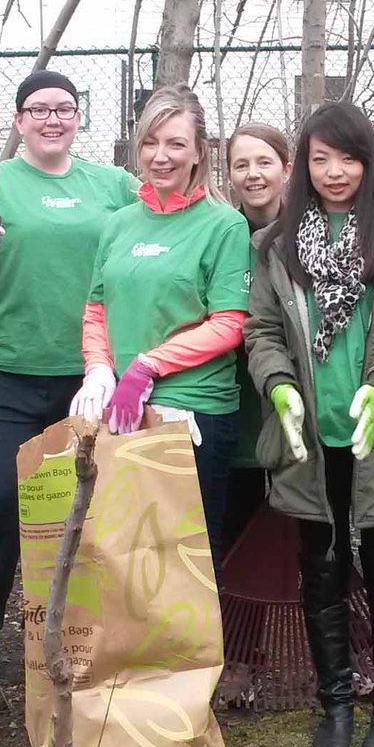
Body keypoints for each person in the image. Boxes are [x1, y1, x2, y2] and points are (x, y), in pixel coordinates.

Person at [245, 102, 374, 747]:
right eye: (321, 158)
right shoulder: (274, 245)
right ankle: (334, 704)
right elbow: (262, 331)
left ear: (369, 161)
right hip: (311, 434)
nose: (335, 172)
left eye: (349, 157)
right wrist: (278, 386)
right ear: (304, 164)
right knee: (321, 569)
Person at [0, 71, 139, 659]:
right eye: (39, 110)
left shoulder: (112, 184)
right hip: (3, 368)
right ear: (21, 120)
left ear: (79, 117)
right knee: (0, 496)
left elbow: (167, 220)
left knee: (92, 502)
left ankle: (84, 634)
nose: (52, 119)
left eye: (65, 108)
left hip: (91, 372)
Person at [71, 86, 251, 577]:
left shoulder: (224, 226)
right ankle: (133, 653)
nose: (161, 156)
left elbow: (229, 323)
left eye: (175, 143)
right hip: (124, 410)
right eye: (150, 143)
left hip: (195, 412)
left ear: (199, 152)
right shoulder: (119, 224)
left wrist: (149, 365)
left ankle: (194, 656)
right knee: (128, 549)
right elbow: (96, 308)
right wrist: (99, 371)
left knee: (185, 558)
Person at [221, 123, 292, 548]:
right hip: (238, 398)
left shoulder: (311, 233)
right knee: (236, 526)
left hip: (299, 393)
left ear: (286, 168)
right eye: (241, 164)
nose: (253, 174)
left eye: (264, 162)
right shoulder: (221, 234)